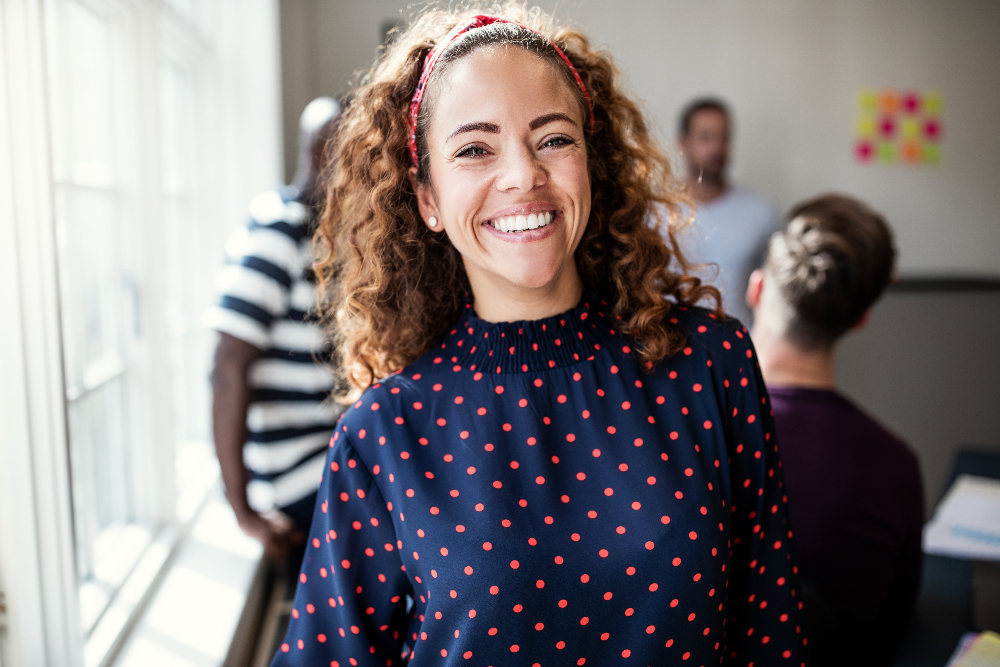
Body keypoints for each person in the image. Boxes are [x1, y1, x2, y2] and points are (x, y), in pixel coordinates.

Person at [272, 6, 804, 665]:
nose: (524, 174)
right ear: (428, 198)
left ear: (594, 161)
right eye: (474, 149)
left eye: (553, 139)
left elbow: (773, 629)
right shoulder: (384, 433)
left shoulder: (709, 364)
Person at [746, 193, 924, 666]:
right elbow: (895, 634)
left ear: (757, 290)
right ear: (861, 319)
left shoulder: (687, 436)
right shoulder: (896, 469)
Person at [207, 97, 344, 563]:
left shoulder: (321, 235)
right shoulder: (278, 229)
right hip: (297, 474)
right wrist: (242, 511)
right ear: (322, 153)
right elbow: (227, 365)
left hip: (326, 459)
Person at [677, 98, 778, 327]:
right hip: (671, 352)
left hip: (742, 350)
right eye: (705, 137)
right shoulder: (654, 212)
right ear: (682, 143)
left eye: (724, 137)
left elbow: (775, 296)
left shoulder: (760, 212)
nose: (717, 147)